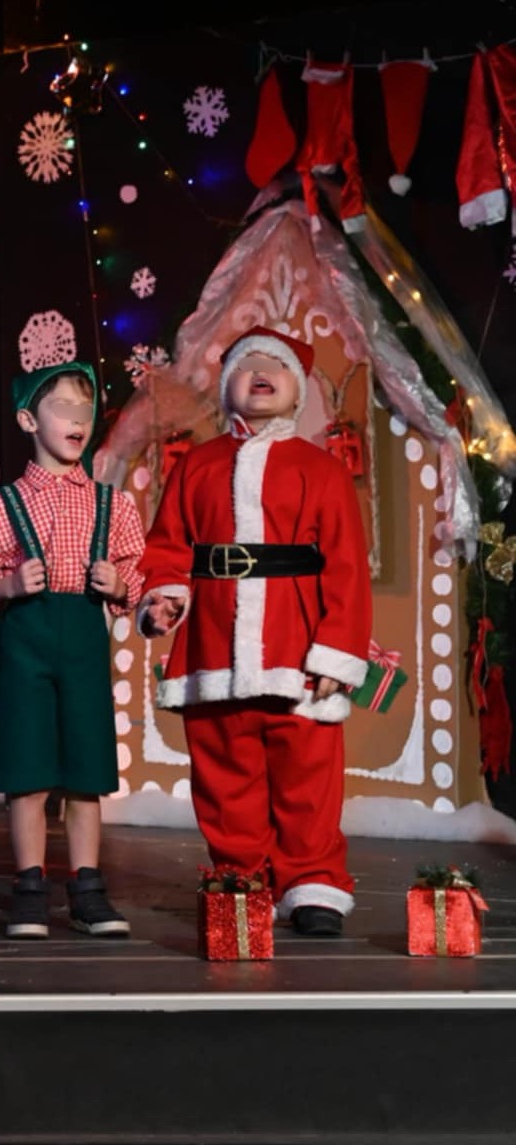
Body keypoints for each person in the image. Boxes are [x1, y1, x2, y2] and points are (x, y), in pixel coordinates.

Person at [138, 326, 372, 936]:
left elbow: (346, 569)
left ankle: (312, 883)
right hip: (214, 647)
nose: (261, 372)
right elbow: (169, 547)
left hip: (298, 650)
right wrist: (165, 597)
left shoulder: (321, 470)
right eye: (247, 365)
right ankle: (240, 878)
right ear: (226, 387)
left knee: (307, 774)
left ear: (298, 391)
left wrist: (337, 653)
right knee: (224, 773)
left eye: (276, 365)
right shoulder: (197, 465)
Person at [0, 360, 142, 939]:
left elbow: (137, 573)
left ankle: (87, 890)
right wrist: (9, 585)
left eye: (85, 411)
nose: (77, 420)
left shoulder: (113, 504)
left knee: (86, 772)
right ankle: (30, 888)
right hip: (27, 647)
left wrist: (121, 585)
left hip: (83, 643)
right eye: (63, 408)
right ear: (28, 419)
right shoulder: (3, 504)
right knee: (29, 773)